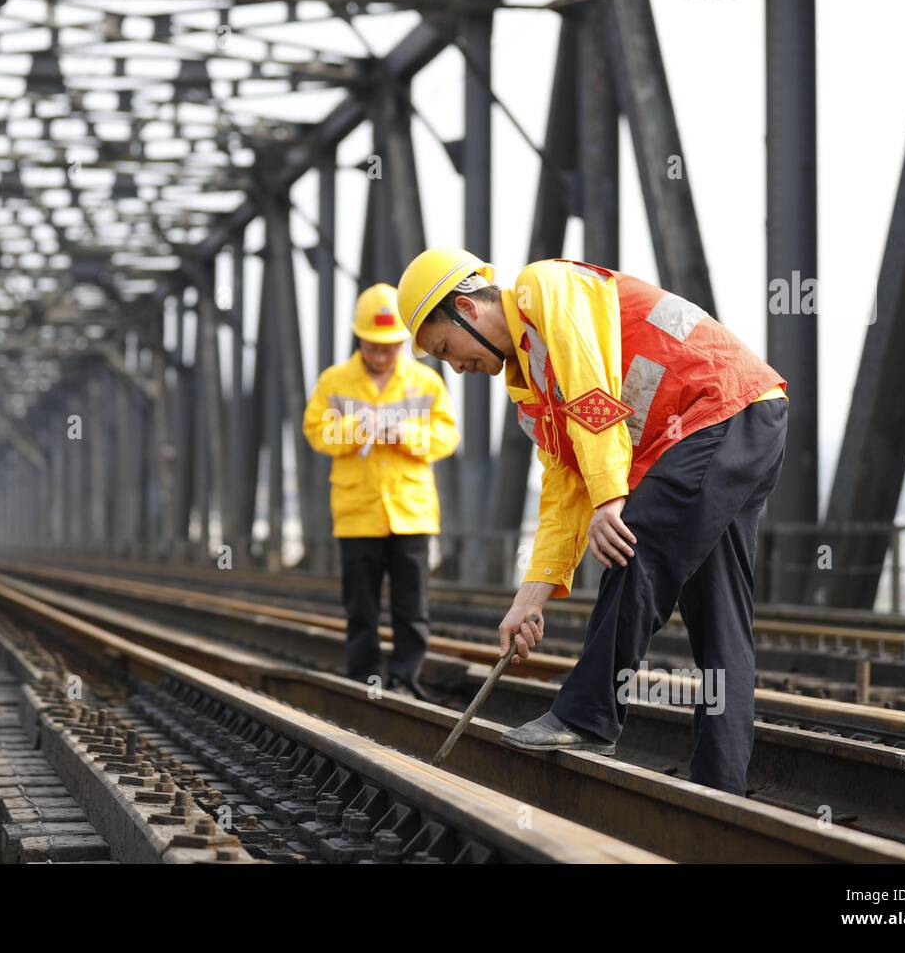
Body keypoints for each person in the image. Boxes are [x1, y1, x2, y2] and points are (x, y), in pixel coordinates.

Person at [396, 250, 787, 795]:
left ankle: (586, 716)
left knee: (634, 545)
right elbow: (562, 491)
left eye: (446, 348)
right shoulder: (529, 391)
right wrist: (529, 599)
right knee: (721, 622)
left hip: (718, 404)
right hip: (738, 416)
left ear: (467, 308)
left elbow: (588, 380)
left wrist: (610, 498)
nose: (456, 366)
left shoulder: (540, 289)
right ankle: (720, 791)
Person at [302, 283, 461, 700]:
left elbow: (447, 436)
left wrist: (406, 434)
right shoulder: (335, 381)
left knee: (412, 607)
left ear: (403, 343)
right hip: (357, 512)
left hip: (410, 511)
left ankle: (405, 680)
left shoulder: (425, 382)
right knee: (362, 608)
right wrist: (358, 429)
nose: (380, 355)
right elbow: (316, 432)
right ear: (360, 340)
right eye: (373, 347)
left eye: (389, 347)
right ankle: (363, 680)